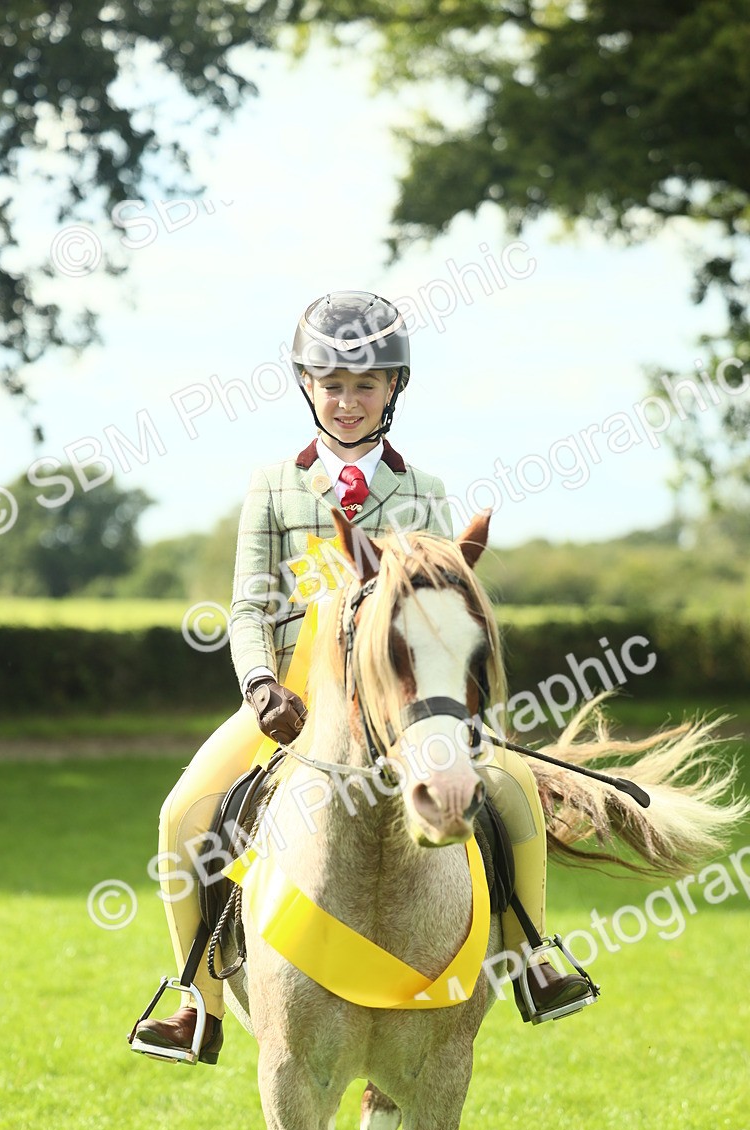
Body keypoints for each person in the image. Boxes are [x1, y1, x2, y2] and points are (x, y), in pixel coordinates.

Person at [130, 290, 593, 1065]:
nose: (347, 401)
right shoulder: (272, 485)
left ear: (393, 389)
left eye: (365, 385)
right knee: (182, 814)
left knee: (511, 788)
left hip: (397, 701)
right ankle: (196, 1000)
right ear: (307, 386)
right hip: (289, 701)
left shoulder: (423, 492)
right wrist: (259, 685)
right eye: (333, 385)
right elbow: (248, 606)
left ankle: (533, 957)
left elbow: (441, 605)